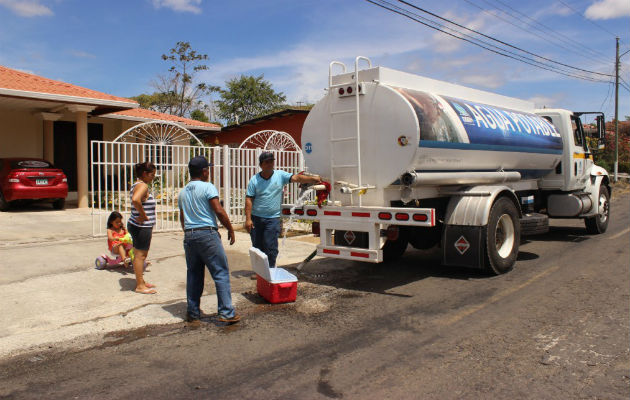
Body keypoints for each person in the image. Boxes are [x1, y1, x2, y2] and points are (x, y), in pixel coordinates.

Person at [179, 156, 240, 324]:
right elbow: (218, 210)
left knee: (193, 274)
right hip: (207, 234)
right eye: (208, 169)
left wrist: (190, 234)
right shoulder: (208, 187)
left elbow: (182, 218)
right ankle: (226, 312)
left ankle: (192, 312)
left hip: (190, 235)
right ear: (204, 171)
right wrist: (230, 228)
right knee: (220, 272)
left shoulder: (183, 192)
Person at [245, 152, 321, 268]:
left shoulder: (280, 175)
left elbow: (296, 178)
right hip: (257, 219)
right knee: (257, 247)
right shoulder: (254, 180)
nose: (270, 164)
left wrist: (312, 179)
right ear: (261, 165)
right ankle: (260, 272)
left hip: (272, 219)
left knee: (271, 247)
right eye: (267, 162)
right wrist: (248, 219)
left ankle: (270, 270)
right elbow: (249, 199)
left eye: (272, 161)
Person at [128, 161, 157, 295]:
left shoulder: (136, 184)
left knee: (140, 255)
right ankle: (140, 285)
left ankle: (141, 281)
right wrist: (144, 216)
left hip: (136, 225)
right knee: (140, 256)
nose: (153, 177)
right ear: (145, 174)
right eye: (152, 174)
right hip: (142, 226)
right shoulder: (143, 186)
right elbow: (135, 199)